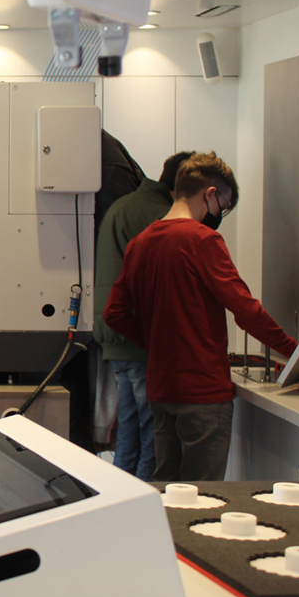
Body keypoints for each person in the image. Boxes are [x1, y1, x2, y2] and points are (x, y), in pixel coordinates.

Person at [104, 152, 298, 482]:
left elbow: (114, 313)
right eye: (224, 204)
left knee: (168, 488)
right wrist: (294, 353)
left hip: (162, 389)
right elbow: (245, 310)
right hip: (203, 391)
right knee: (205, 494)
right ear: (210, 194)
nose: (221, 212)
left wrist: (156, 342)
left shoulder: (141, 243)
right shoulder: (203, 240)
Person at [93, 151, 193, 480]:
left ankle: (120, 500)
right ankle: (146, 501)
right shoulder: (158, 214)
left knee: (129, 434)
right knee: (154, 436)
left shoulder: (125, 205)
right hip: (139, 338)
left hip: (116, 337)